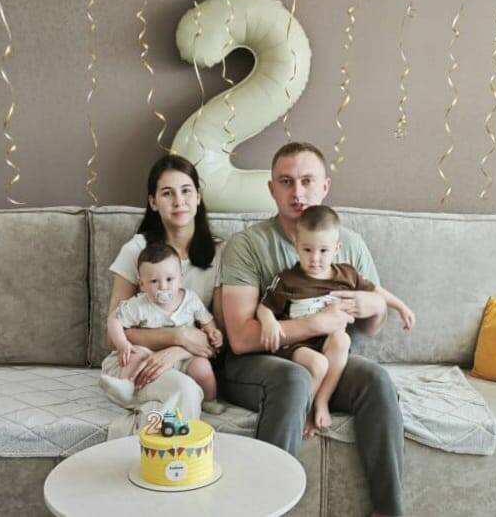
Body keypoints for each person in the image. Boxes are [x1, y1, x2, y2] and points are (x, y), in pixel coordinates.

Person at [221, 141, 405, 517]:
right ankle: (267, 509)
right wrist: (311, 324)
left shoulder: (348, 244)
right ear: (271, 189)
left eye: (307, 181)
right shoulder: (248, 245)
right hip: (261, 362)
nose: (298, 192)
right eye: (286, 181)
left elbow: (373, 327)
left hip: (327, 358)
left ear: (325, 186)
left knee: (376, 379)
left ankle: (388, 512)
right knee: (293, 379)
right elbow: (240, 339)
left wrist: (375, 305)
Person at [256, 204, 415, 437]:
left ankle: (322, 401)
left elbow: (376, 290)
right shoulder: (287, 279)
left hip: (328, 343)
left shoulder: (346, 275)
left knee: (342, 340)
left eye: (323, 251)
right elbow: (264, 307)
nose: (315, 259)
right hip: (296, 346)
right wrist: (270, 323)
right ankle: (306, 412)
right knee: (318, 364)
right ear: (296, 246)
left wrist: (401, 306)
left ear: (337, 248)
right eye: (307, 250)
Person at [106, 154, 225, 421]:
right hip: (139, 360)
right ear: (153, 202)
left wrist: (178, 350)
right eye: (167, 193)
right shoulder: (137, 251)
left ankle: (151, 437)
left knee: (181, 391)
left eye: (186, 191)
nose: (179, 201)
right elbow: (112, 334)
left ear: (198, 196)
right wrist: (178, 336)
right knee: (182, 390)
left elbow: (219, 335)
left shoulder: (219, 253)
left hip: (190, 359)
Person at [101, 242, 223, 407]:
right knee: (135, 355)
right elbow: (114, 319)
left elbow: (207, 321)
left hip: (183, 355)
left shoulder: (191, 300)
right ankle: (126, 385)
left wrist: (214, 333)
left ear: (181, 279)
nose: (163, 286)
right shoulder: (139, 305)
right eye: (154, 281)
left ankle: (209, 400)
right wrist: (122, 344)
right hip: (150, 354)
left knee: (203, 367)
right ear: (142, 285)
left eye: (169, 279)